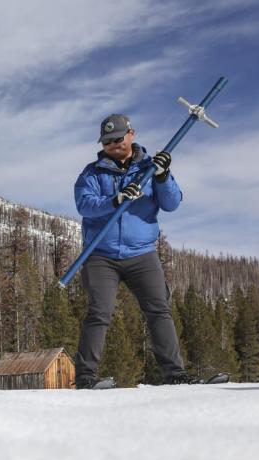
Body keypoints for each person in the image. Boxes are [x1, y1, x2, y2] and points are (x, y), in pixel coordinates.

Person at [72, 113, 194, 389]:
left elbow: (172, 203)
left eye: (117, 138)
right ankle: (86, 378)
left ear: (131, 134)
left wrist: (162, 177)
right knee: (98, 312)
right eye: (107, 141)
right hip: (100, 254)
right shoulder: (92, 173)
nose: (113, 144)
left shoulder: (150, 168)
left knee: (159, 310)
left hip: (141, 253)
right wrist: (115, 200)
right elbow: (85, 205)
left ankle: (175, 374)